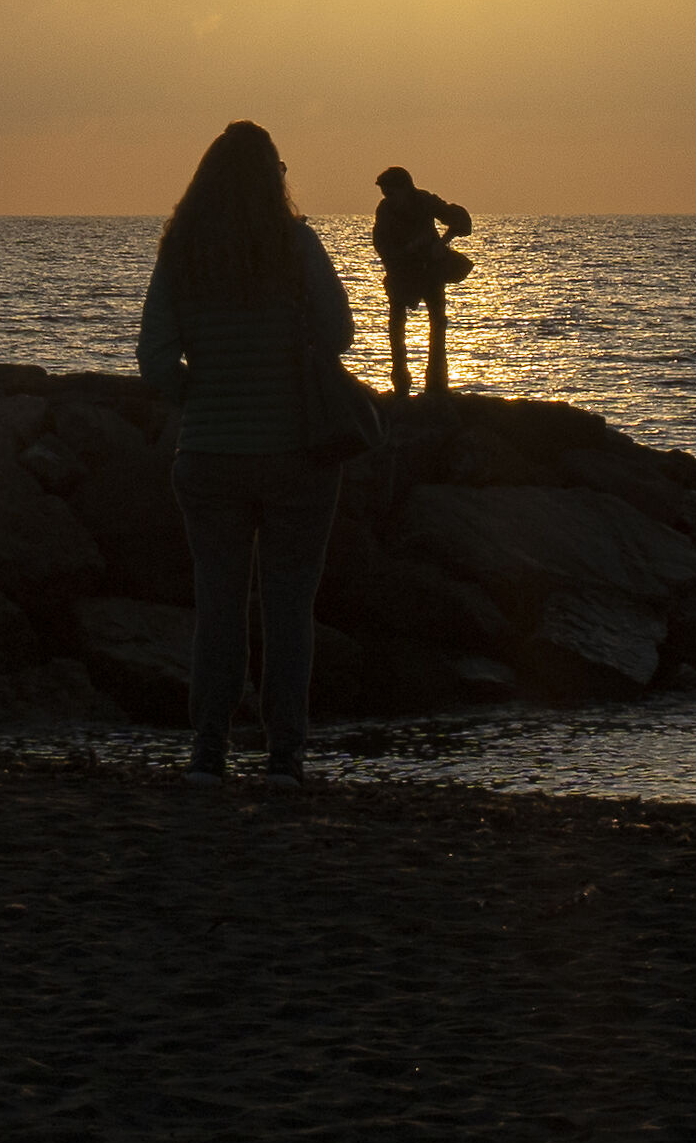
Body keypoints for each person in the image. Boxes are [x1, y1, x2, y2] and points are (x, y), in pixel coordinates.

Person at [138, 120, 356, 791]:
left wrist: (198, 395)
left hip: (208, 454)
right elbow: (342, 330)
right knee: (290, 609)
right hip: (297, 454)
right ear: (275, 178)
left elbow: (153, 357)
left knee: (219, 604)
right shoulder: (296, 244)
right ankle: (284, 755)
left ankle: (209, 749)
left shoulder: (182, 249)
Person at [371, 166, 472, 398]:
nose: (388, 198)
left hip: (430, 270)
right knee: (396, 325)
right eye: (385, 194)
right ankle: (401, 382)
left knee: (437, 322)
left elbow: (461, 220)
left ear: (405, 189)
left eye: (391, 193)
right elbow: (381, 244)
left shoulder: (425, 201)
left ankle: (436, 383)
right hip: (401, 271)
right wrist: (407, 251)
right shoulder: (385, 211)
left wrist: (443, 241)